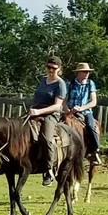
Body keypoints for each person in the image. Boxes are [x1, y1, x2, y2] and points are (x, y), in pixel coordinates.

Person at [27, 55, 67, 185]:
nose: (50, 70)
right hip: (35, 111)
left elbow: (57, 105)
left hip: (51, 115)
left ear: (59, 69)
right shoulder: (43, 80)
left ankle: (49, 170)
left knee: (47, 139)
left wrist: (39, 111)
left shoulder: (61, 84)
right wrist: (33, 110)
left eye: (54, 68)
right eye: (49, 67)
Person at [65, 62, 102, 164]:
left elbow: (93, 102)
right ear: (78, 73)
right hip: (70, 111)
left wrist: (81, 108)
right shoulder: (70, 84)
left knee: (91, 126)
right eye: (85, 72)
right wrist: (67, 109)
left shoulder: (90, 84)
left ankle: (95, 150)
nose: (87, 74)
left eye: (88, 72)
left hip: (85, 112)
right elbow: (64, 99)